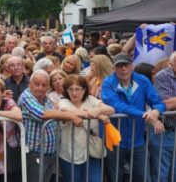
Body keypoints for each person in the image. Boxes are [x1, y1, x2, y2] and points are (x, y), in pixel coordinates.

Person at [101, 53, 165, 182]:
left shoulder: (142, 80)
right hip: (114, 139)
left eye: (126, 65)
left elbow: (157, 101)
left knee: (142, 177)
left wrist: (156, 112)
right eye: (119, 66)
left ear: (132, 66)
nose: (123, 69)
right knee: (116, 178)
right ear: (114, 68)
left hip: (137, 140)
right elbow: (118, 106)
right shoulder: (108, 82)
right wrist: (145, 114)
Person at [18, 69, 83, 182]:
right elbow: (44, 114)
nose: (40, 88)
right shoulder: (26, 97)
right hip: (35, 153)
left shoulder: (45, 97)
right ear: (30, 84)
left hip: (49, 152)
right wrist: (72, 117)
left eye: (44, 85)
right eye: (37, 84)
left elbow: (55, 111)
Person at [58, 75, 114, 182]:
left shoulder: (90, 99)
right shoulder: (64, 102)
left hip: (91, 150)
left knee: (95, 179)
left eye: (78, 89)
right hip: (70, 152)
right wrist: (98, 115)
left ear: (84, 89)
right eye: (71, 89)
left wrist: (98, 111)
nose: (74, 93)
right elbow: (68, 112)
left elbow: (111, 109)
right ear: (66, 90)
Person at [150, 51, 176, 182]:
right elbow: (165, 103)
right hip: (164, 131)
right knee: (161, 173)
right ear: (172, 64)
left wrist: (173, 102)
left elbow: (172, 102)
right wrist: (171, 104)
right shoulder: (162, 76)